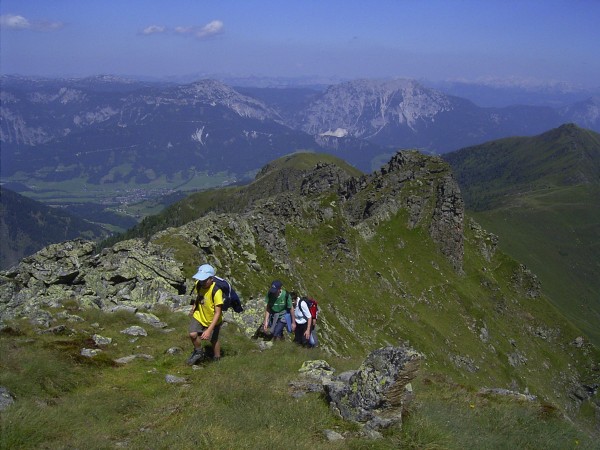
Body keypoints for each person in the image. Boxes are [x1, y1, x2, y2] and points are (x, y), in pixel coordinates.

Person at [187, 264, 224, 365]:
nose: (202, 282)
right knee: (192, 334)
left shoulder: (216, 291)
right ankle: (198, 352)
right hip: (199, 315)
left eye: (205, 280)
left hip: (213, 320)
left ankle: (217, 358)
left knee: (213, 340)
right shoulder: (198, 284)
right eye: (201, 280)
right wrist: (193, 308)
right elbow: (199, 296)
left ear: (211, 279)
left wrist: (208, 330)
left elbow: (218, 313)